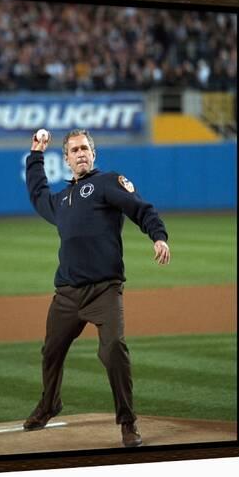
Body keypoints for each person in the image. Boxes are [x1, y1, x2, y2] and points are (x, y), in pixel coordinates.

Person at [23, 128, 171, 447]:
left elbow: (140, 208)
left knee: (113, 349)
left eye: (85, 148)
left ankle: (128, 422)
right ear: (65, 159)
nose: (80, 153)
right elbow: (37, 194)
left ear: (94, 154)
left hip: (104, 289)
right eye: (74, 150)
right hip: (67, 294)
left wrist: (158, 235)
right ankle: (49, 404)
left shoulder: (106, 183)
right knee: (51, 351)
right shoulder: (61, 200)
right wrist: (36, 154)